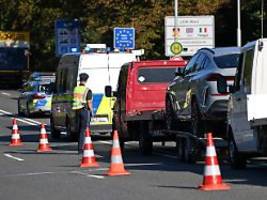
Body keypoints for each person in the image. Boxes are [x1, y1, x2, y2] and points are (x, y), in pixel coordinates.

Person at [72, 73, 93, 154]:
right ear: (86, 80)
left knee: (80, 129)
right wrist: (92, 111)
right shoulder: (87, 90)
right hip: (84, 110)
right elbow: (89, 103)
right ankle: (82, 148)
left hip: (76, 110)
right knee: (84, 130)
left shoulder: (75, 89)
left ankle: (79, 147)